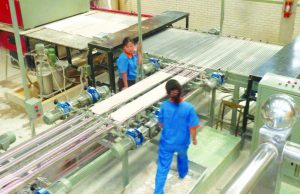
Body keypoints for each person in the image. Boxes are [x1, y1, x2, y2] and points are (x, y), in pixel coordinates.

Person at [154, 79, 200, 194]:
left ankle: (158, 191)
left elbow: (161, 123)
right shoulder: (189, 108)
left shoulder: (164, 106)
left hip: (167, 143)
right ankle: (182, 174)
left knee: (163, 167)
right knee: (183, 157)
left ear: (168, 93)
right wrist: (194, 139)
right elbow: (193, 127)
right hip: (182, 142)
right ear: (181, 91)